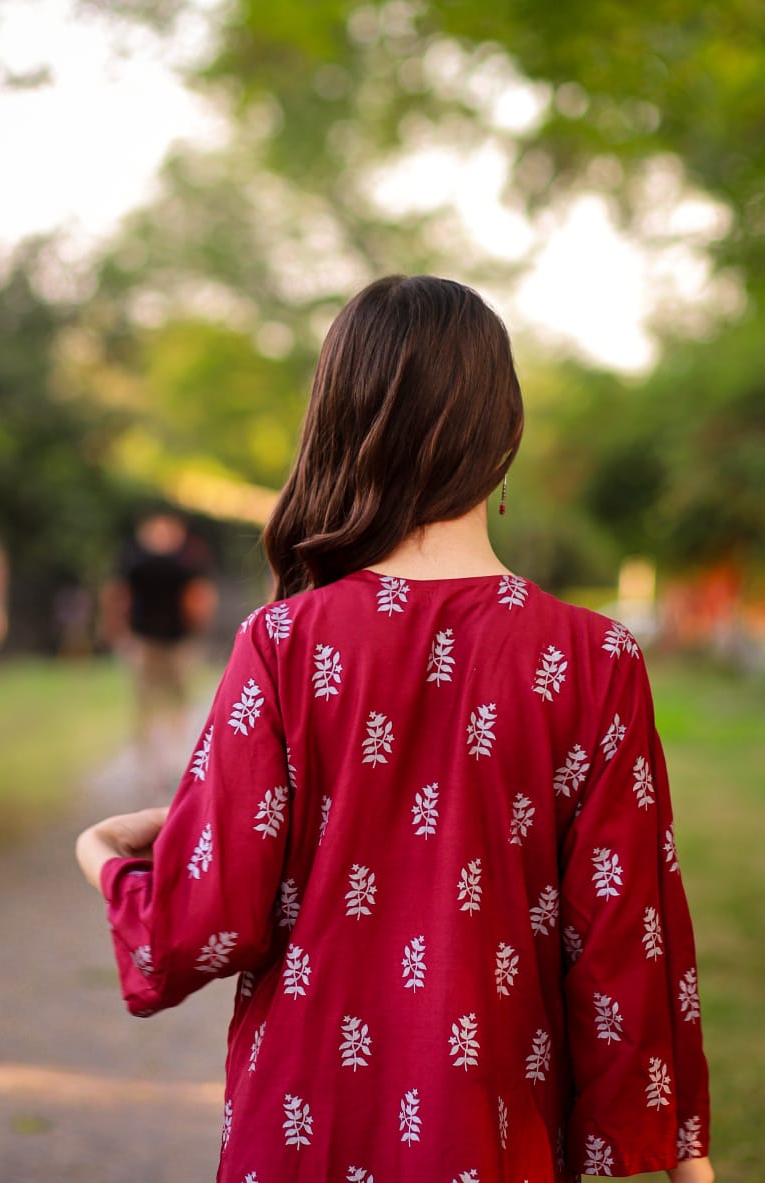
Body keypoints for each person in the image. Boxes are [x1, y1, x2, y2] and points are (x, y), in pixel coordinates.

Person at [76, 276, 714, 1183]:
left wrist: (105, 850)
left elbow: (201, 922)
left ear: (336, 429)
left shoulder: (284, 642)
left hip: (302, 1138)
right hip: (496, 1140)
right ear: (508, 435)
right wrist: (685, 1159)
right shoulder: (597, 658)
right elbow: (626, 943)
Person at [101, 511, 217, 800]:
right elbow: (118, 595)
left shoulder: (189, 557)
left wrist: (195, 634)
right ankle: (148, 770)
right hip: (144, 641)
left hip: (178, 642)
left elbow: (200, 597)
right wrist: (120, 634)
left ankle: (177, 765)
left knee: (178, 703)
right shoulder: (134, 557)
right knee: (146, 705)